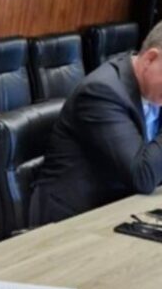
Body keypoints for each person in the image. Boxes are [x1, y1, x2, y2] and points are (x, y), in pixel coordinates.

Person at [30, 21, 162, 226]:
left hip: (123, 211)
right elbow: (142, 175)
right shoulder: (103, 92)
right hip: (73, 222)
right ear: (150, 59)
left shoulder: (154, 92)